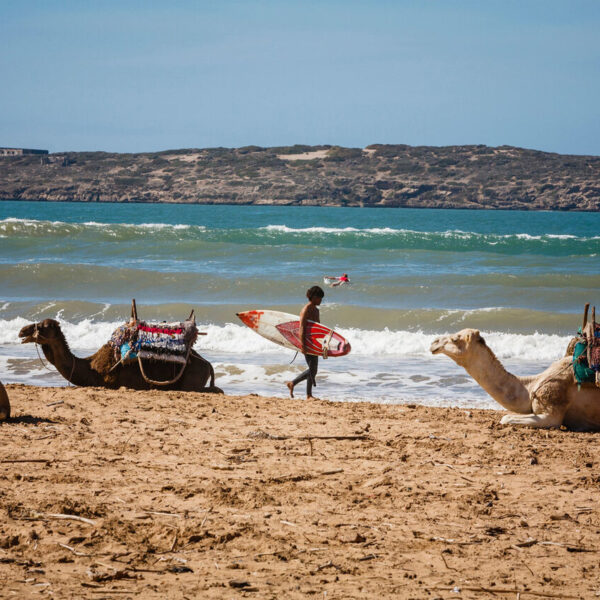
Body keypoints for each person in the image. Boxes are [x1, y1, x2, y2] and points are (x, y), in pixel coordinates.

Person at [286, 285, 324, 400]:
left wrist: (321, 343)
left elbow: (318, 329)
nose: (321, 300)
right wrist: (302, 345)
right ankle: (308, 395)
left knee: (314, 369)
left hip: (313, 342)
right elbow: (301, 327)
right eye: (319, 298)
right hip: (306, 342)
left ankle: (293, 384)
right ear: (314, 297)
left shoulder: (316, 311)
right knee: (312, 369)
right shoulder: (306, 309)